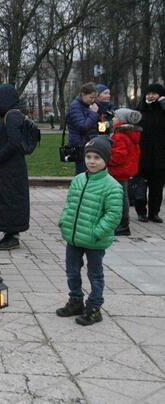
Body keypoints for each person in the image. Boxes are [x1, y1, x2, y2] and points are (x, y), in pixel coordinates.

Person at [56, 136, 123, 326]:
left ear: (105, 160)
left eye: (97, 158)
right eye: (89, 157)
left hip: (95, 239)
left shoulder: (112, 186)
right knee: (72, 271)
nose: (92, 161)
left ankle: (94, 307)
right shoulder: (78, 179)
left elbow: (113, 215)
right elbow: (70, 204)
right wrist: (64, 222)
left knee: (95, 274)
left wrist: (97, 231)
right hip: (74, 237)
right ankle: (75, 300)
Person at [0, 84, 30, 250]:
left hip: (11, 169)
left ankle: (12, 235)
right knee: (7, 199)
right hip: (10, 168)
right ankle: (9, 233)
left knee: (10, 200)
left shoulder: (12, 117)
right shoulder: (13, 115)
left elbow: (14, 142)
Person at [108, 108, 142, 236]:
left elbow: (118, 156)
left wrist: (106, 159)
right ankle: (122, 224)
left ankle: (123, 225)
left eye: (115, 117)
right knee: (122, 196)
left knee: (120, 198)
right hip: (125, 170)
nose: (113, 119)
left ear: (121, 120)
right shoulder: (129, 133)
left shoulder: (120, 135)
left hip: (119, 171)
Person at [135, 83, 165, 223]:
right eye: (148, 93)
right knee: (141, 185)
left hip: (160, 155)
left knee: (157, 187)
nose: (151, 96)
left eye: (154, 93)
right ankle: (141, 212)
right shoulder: (140, 110)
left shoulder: (162, 110)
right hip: (142, 154)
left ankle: (154, 213)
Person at [66, 82, 100, 174]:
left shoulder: (86, 106)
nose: (93, 100)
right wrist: (93, 113)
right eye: (91, 97)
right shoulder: (75, 107)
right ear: (83, 94)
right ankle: (80, 188)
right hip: (80, 145)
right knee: (82, 172)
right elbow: (83, 126)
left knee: (88, 172)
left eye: (94, 98)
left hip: (87, 143)